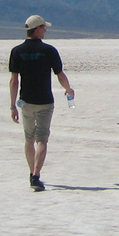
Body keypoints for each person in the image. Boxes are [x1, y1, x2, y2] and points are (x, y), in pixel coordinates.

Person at [9, 15, 74, 191]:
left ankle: (32, 174)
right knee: (42, 140)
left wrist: (12, 105)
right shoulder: (49, 51)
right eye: (44, 27)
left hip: (25, 102)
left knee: (29, 139)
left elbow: (14, 80)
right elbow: (60, 74)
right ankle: (36, 176)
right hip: (45, 102)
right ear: (37, 29)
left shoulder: (17, 51)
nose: (45, 30)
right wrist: (68, 89)